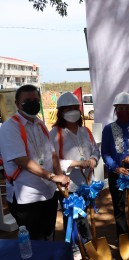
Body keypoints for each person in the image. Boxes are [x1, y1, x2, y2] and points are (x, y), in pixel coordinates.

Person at [0, 84, 69, 241]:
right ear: (17, 104)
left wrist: (60, 176)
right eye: (27, 100)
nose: (32, 103)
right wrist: (52, 176)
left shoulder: (40, 124)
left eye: (35, 100)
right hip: (27, 199)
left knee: (49, 236)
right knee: (34, 243)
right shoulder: (9, 128)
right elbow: (22, 160)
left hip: (48, 193)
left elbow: (52, 154)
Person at [49, 92, 100, 245]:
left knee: (84, 217)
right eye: (68, 108)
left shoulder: (85, 131)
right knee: (73, 217)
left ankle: (86, 245)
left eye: (75, 108)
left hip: (86, 184)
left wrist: (93, 159)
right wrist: (77, 163)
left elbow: (95, 150)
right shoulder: (55, 133)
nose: (73, 112)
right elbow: (53, 161)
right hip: (68, 186)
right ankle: (75, 248)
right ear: (61, 112)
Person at [102, 92, 129, 236]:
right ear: (115, 110)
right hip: (116, 175)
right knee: (119, 206)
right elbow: (105, 153)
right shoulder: (108, 129)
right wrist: (115, 168)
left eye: (127, 108)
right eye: (120, 108)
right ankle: (122, 235)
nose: (124, 111)